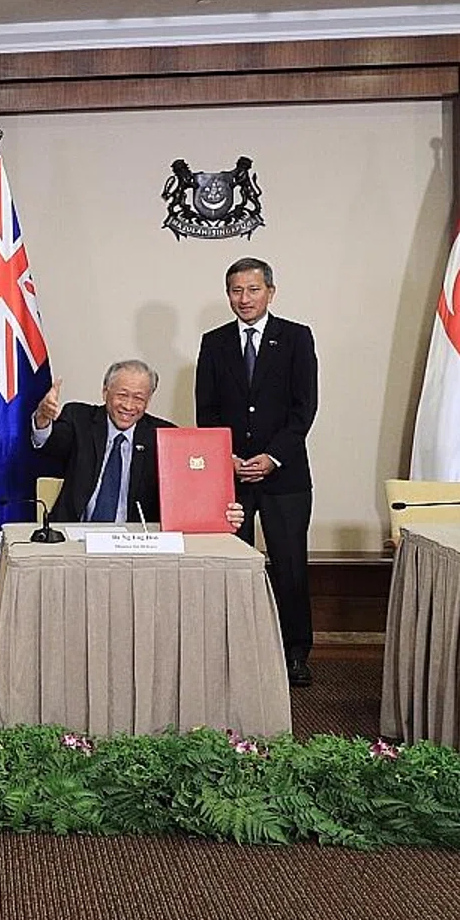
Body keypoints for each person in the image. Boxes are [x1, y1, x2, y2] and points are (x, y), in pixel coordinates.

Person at [195, 257, 319, 688]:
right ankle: (235, 650)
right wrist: (224, 456)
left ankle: (295, 653)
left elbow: (304, 410)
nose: (244, 299)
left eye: (252, 290)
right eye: (235, 291)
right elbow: (205, 411)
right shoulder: (214, 343)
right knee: (233, 565)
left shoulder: (296, 338)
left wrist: (272, 457)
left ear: (270, 291)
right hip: (229, 476)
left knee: (289, 566)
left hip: (284, 477)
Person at [31, 360, 245, 529]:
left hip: (136, 540)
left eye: (139, 398)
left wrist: (222, 510)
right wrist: (43, 419)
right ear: (105, 392)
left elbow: (192, 489)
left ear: (149, 400)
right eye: (122, 395)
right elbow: (51, 444)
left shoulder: (165, 436)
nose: (128, 406)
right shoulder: (79, 418)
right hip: (74, 534)